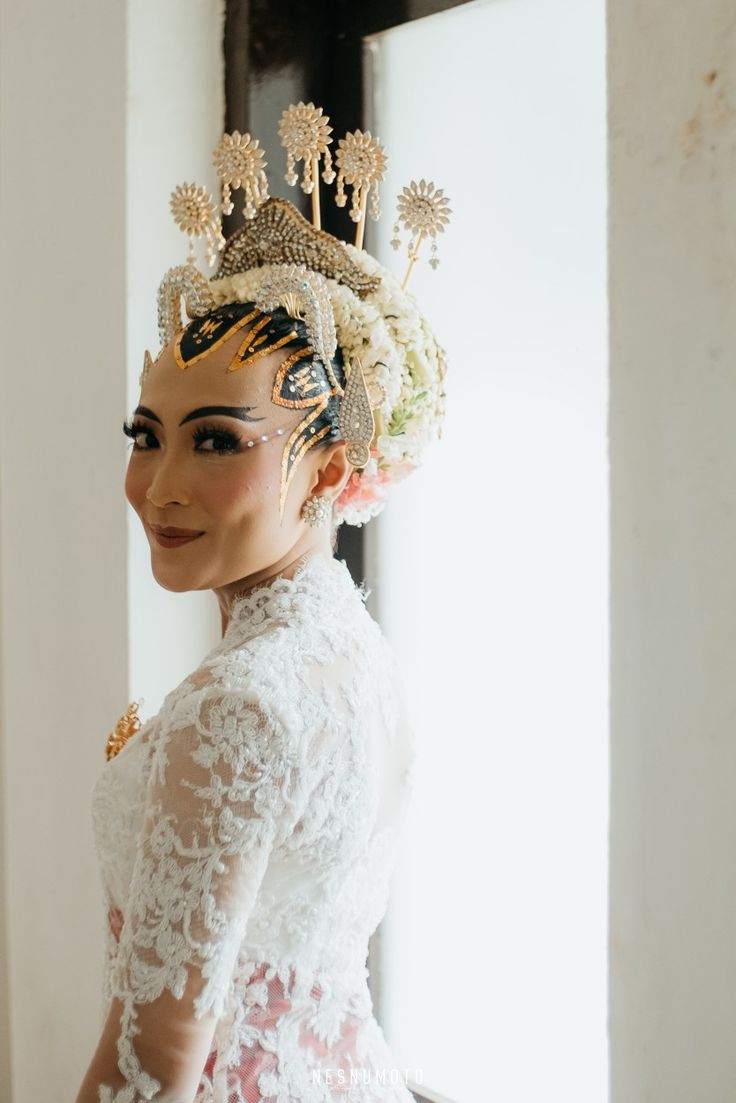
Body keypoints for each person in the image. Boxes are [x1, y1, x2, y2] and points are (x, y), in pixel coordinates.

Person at [75, 104, 450, 1103]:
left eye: (215, 440)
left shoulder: (237, 704)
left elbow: (150, 1070)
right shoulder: (357, 656)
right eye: (145, 432)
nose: (158, 485)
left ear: (330, 467)